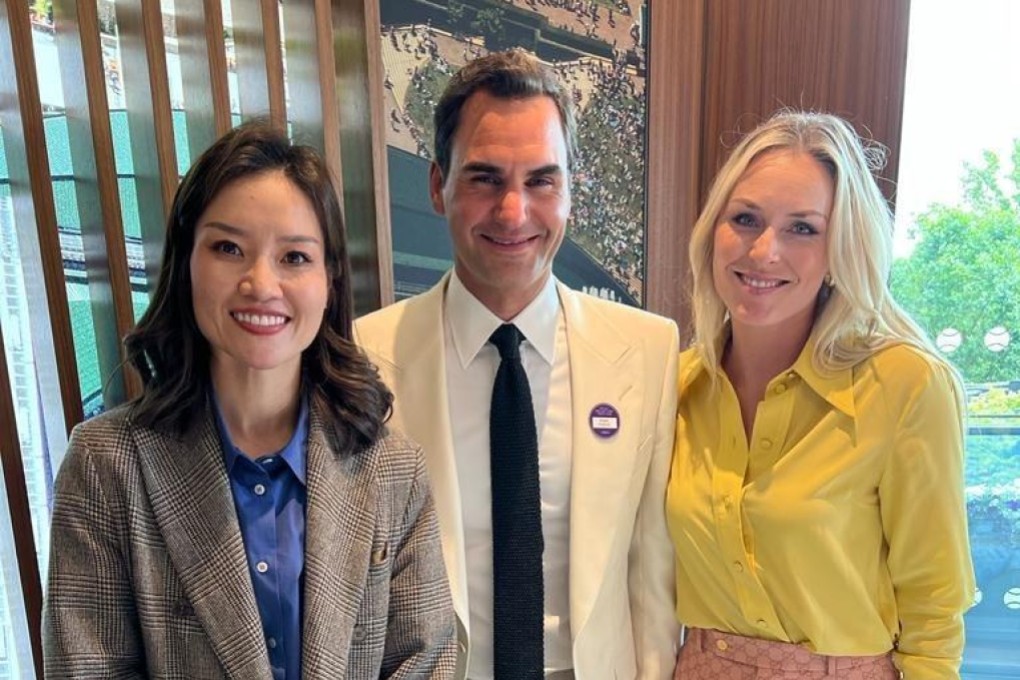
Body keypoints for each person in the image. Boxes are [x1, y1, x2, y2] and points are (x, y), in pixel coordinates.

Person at [42, 122, 457, 679]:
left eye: (294, 257)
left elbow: (425, 662)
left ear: (330, 278)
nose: (261, 283)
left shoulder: (393, 470)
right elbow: (85, 668)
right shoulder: (105, 466)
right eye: (229, 248)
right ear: (187, 262)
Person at [355, 50, 679, 679]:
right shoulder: (366, 358)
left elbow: (653, 577)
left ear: (569, 190)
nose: (513, 212)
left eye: (540, 180)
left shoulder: (648, 351)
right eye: (483, 178)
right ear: (436, 185)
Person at [668, 110, 975, 679]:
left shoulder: (906, 386)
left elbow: (934, 613)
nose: (764, 252)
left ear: (840, 250)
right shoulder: (677, 387)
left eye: (802, 228)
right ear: (714, 230)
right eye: (745, 219)